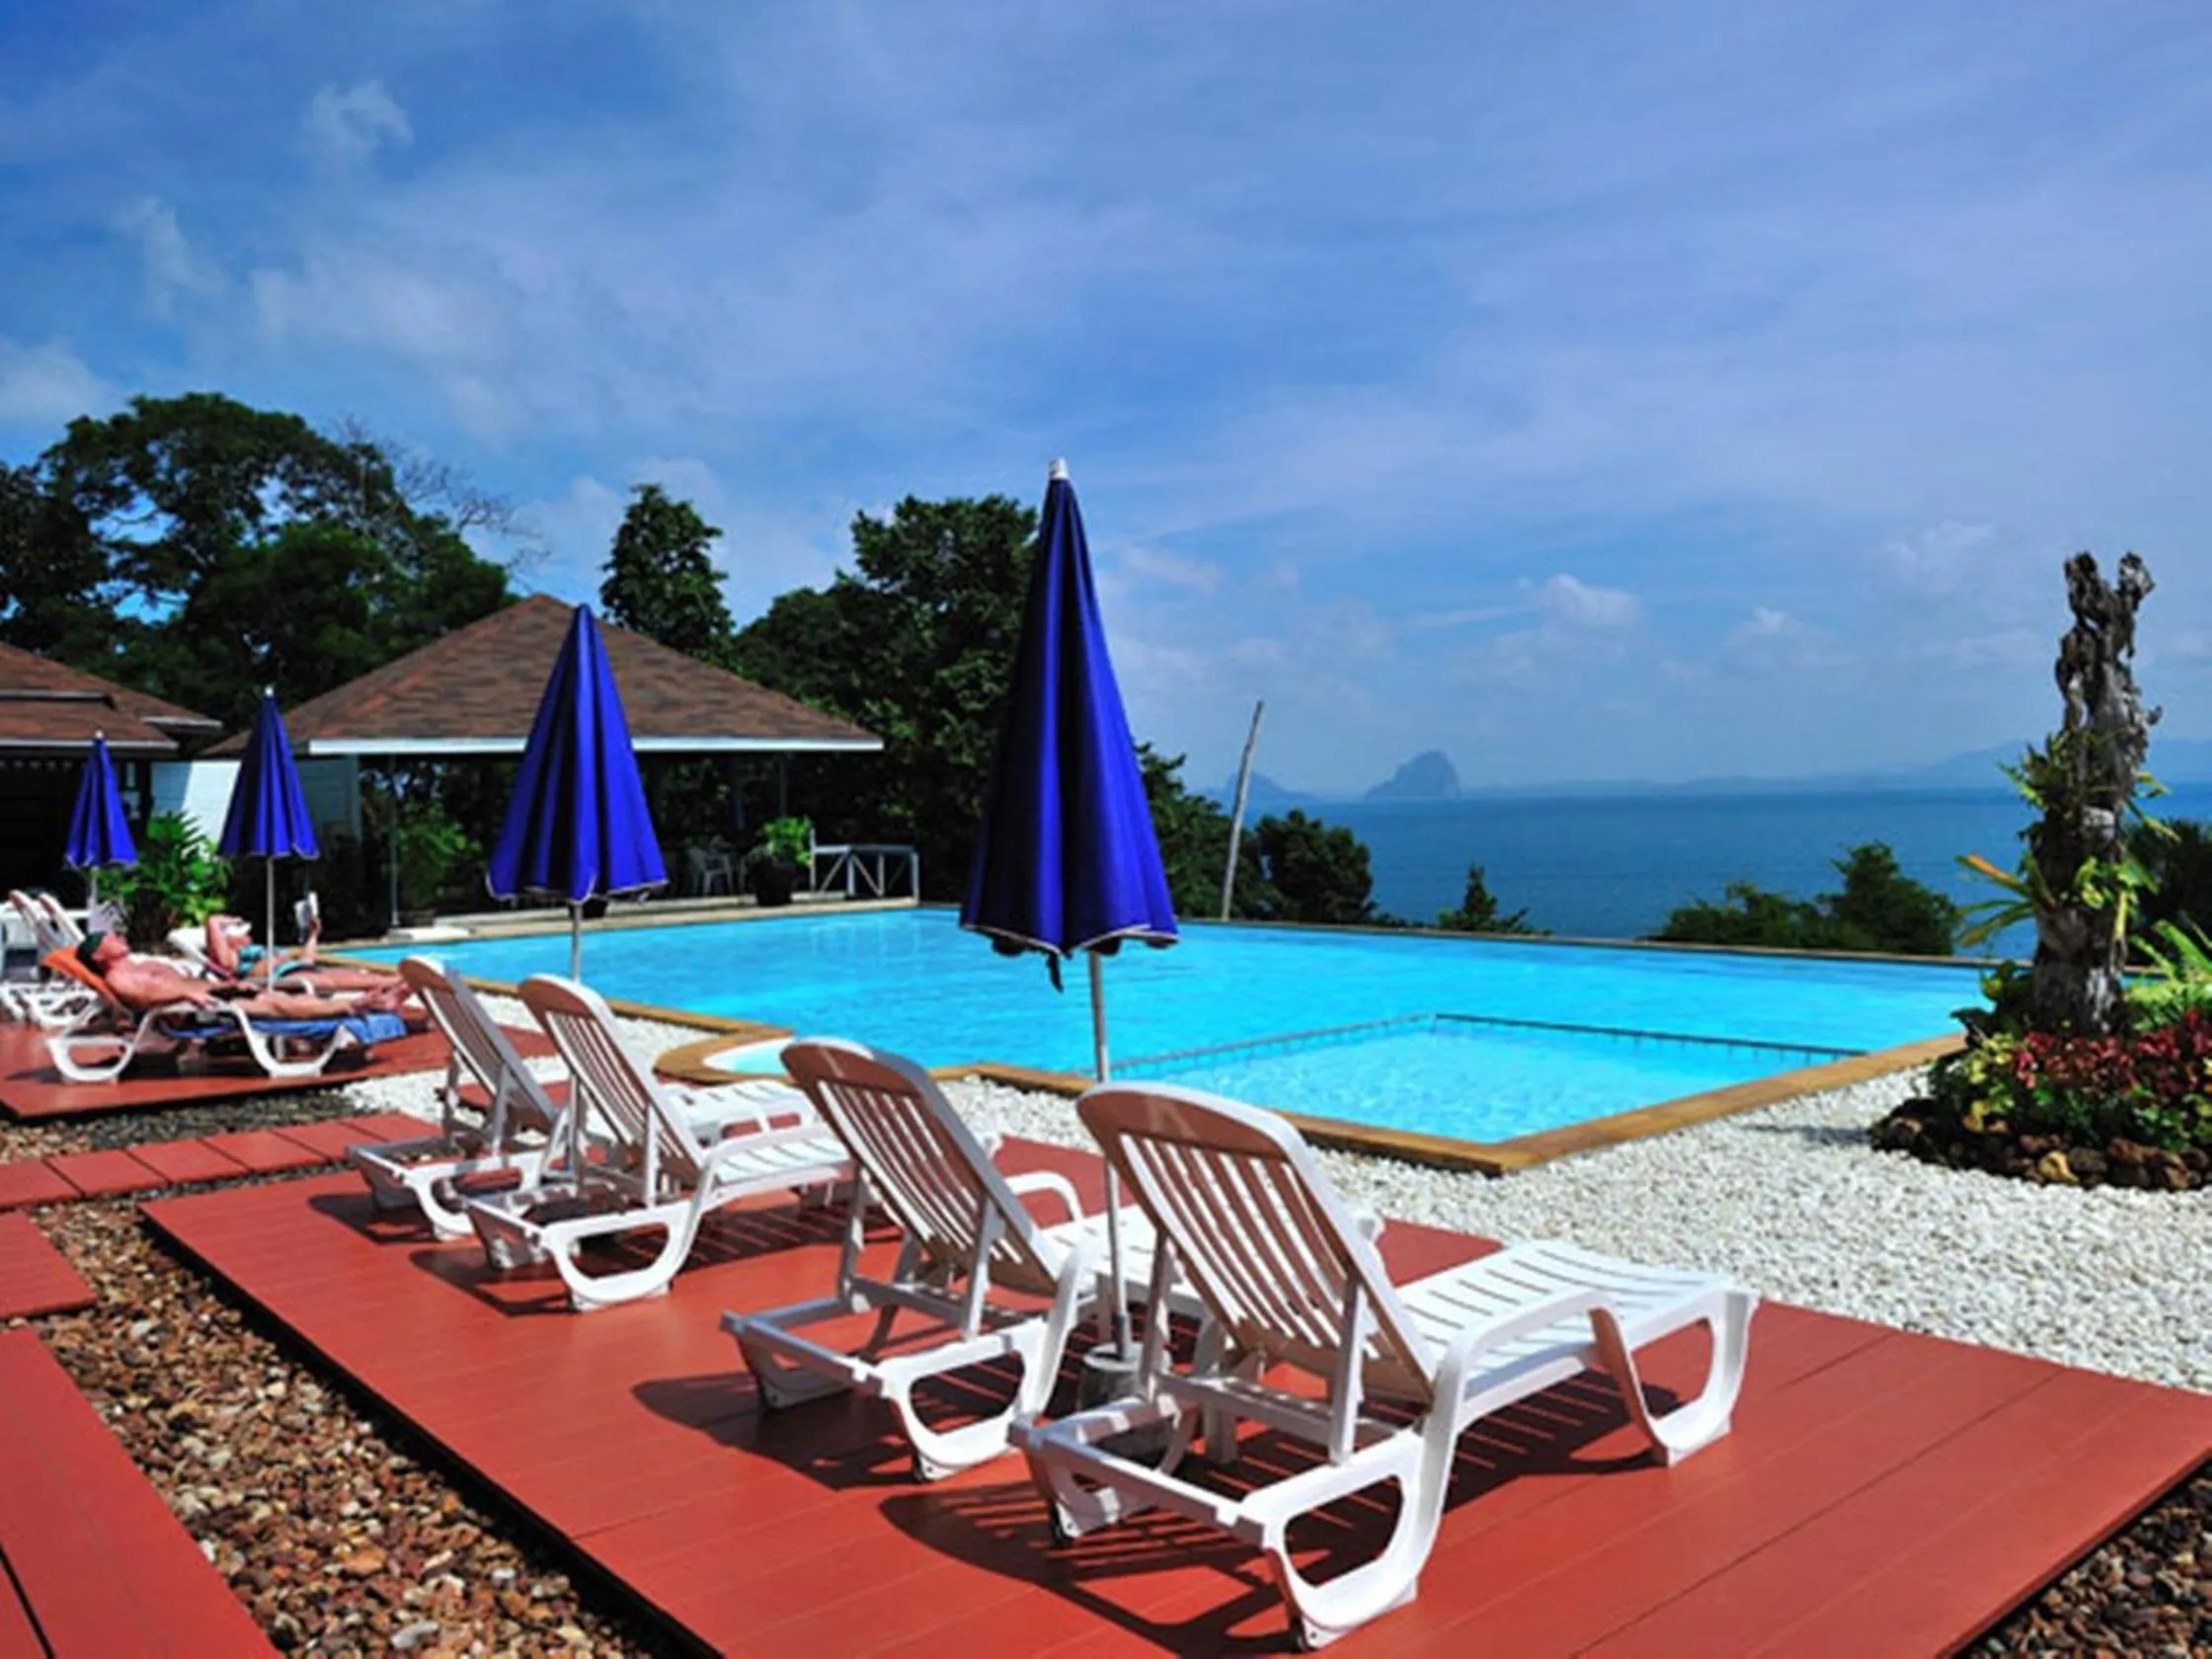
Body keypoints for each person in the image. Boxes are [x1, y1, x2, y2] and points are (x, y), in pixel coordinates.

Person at [80, 931, 409, 1021]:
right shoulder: (118, 979)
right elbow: (142, 999)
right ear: (98, 955)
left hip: (211, 994)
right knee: (274, 1004)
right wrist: (185, 995)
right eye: (110, 938)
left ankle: (372, 999)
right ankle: (363, 1006)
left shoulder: (136, 965)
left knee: (279, 997)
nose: (119, 937)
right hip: (196, 1008)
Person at [200, 910, 405, 998]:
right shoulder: (235, 959)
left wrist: (313, 935)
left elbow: (307, 960)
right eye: (240, 931)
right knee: (341, 980)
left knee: (360, 977)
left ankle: (404, 982)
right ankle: (405, 982)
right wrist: (224, 921)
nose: (247, 935)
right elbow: (255, 975)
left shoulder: (262, 950)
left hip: (299, 972)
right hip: (284, 981)